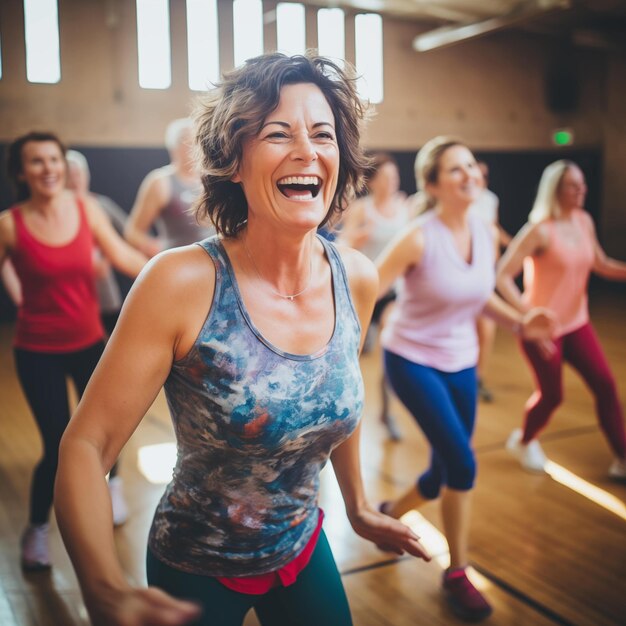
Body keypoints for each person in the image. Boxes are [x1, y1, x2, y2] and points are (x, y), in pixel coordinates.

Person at [54, 53, 431, 626]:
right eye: (279, 133)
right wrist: (103, 587)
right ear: (232, 159)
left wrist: (356, 506)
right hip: (194, 564)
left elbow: (338, 400)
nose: (306, 150)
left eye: (323, 134)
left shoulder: (355, 276)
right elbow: (85, 446)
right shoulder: (181, 282)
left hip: (303, 548)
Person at [375, 136, 554, 622]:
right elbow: (368, 285)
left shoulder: (480, 226)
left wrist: (521, 323)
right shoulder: (418, 236)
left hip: (462, 362)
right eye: (455, 169)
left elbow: (479, 295)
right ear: (432, 185)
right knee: (463, 463)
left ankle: (389, 515)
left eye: (472, 165)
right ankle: (457, 571)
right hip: (411, 359)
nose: (469, 174)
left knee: (441, 473)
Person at [0, 131, 146, 571]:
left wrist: (186, 276)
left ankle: (113, 483)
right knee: (58, 444)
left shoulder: (87, 210)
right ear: (21, 172)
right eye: (36, 162)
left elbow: (124, 256)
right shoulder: (9, 223)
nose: (48, 169)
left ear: (64, 166)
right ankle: (38, 530)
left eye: (53, 159)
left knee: (108, 428)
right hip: (36, 349)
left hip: (89, 345)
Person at [496, 160, 626, 476]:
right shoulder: (540, 231)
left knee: (606, 385)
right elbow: (501, 276)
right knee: (552, 397)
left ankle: (623, 459)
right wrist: (529, 319)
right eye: (573, 185)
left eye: (582, 184)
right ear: (556, 189)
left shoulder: (583, 220)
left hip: (577, 323)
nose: (581, 190)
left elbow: (602, 263)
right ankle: (524, 440)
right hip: (542, 331)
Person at [65, 149, 129, 524]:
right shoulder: (55, 213)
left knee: (109, 393)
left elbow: (125, 237)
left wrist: (106, 258)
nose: (75, 179)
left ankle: (112, 481)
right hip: (72, 313)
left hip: (105, 304)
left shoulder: (100, 206)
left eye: (79, 173)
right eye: (69, 173)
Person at [339, 153, 413, 440]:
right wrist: (354, 239)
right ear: (374, 182)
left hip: (392, 290)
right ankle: (346, 414)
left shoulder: (406, 208)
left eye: (394, 177)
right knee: (353, 354)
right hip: (363, 290)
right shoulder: (362, 209)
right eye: (385, 178)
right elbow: (344, 241)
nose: (391, 183)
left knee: (388, 346)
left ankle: (386, 411)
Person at [124, 118, 214, 256]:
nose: (193, 146)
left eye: (196, 141)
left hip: (213, 265)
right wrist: (155, 249)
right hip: (178, 267)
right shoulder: (160, 182)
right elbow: (133, 232)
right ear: (175, 146)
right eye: (187, 141)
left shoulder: (211, 180)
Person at [469, 160, 511, 403]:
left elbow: (495, 229)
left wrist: (515, 245)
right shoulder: (460, 199)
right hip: (463, 272)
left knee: (486, 328)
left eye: (483, 174)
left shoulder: (489, 200)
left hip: (485, 272)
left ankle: (478, 378)